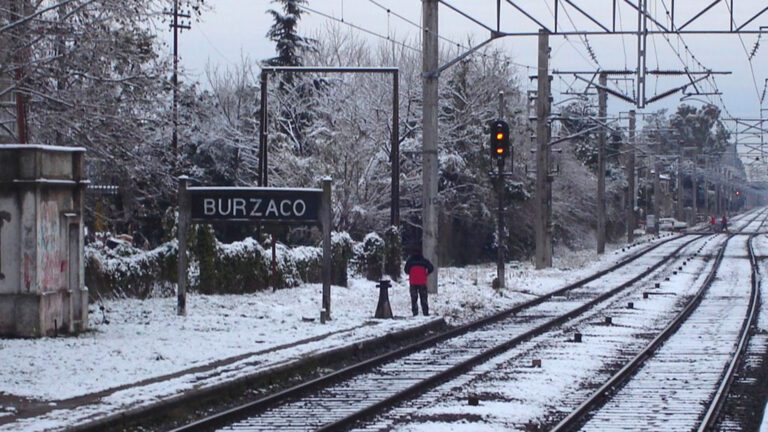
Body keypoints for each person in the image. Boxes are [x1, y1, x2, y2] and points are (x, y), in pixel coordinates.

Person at [404, 247, 434, 316]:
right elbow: (431, 268)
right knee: (424, 298)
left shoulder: (410, 261)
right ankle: (425, 313)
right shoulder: (424, 261)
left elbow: (406, 270)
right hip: (422, 282)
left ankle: (415, 313)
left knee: (414, 299)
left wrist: (411, 273)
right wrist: (426, 273)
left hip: (413, 282)